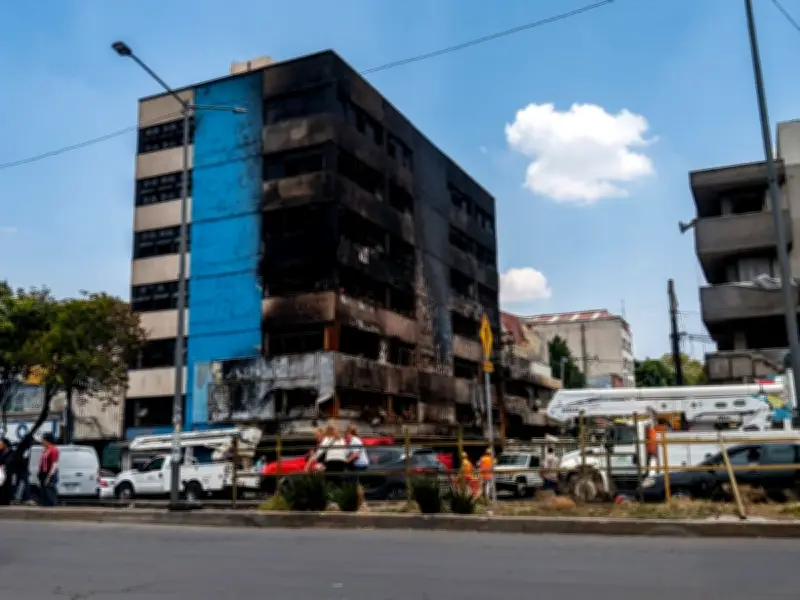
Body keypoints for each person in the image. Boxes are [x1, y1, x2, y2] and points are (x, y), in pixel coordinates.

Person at [38, 433, 60, 507]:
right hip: (43, 473)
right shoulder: (45, 450)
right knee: (43, 492)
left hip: (49, 472)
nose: (42, 442)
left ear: (47, 441)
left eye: (43, 440)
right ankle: (44, 505)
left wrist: (49, 476)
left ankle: (52, 506)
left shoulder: (53, 449)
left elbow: (54, 464)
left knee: (49, 490)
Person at [0, 438, 13, 506]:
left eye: (1, 444)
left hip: (7, 474)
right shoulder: (1, 452)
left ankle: (6, 501)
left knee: (6, 488)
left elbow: (9, 462)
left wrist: (4, 466)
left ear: (5, 444)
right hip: (1, 473)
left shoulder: (10, 452)